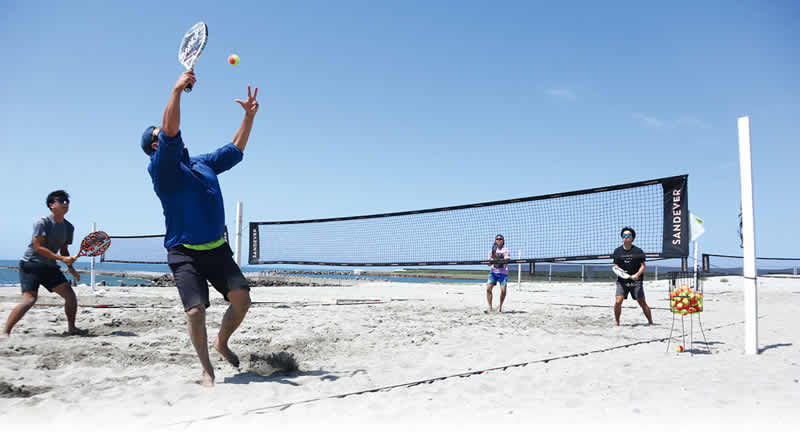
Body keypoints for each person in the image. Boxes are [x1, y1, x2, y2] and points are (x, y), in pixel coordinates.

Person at [141, 70, 258, 386]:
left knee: (242, 300)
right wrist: (176, 90)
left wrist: (248, 117)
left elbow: (235, 150)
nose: (164, 138)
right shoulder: (162, 169)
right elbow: (169, 130)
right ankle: (206, 369)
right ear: (155, 148)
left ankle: (222, 342)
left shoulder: (201, 163)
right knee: (195, 312)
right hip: (184, 253)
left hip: (216, 250)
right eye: (159, 138)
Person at [2, 190, 84, 338]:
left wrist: (71, 267)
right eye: (61, 200)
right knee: (29, 300)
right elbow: (38, 247)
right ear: (52, 205)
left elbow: (64, 250)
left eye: (67, 201)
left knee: (70, 296)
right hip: (31, 265)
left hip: (50, 267)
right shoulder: (42, 222)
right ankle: (5, 332)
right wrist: (61, 259)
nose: (65, 203)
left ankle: (72, 328)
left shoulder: (69, 227)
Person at [612, 227, 653, 326]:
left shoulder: (638, 251)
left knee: (641, 302)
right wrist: (621, 273)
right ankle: (617, 323)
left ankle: (651, 322)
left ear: (632, 238)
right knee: (618, 301)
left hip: (636, 280)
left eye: (628, 235)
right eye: (624, 235)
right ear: (622, 237)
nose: (626, 237)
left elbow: (643, 266)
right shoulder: (617, 251)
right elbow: (615, 266)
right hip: (622, 281)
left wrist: (637, 275)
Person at [486, 234, 510, 313]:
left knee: (503, 291)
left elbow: (506, 260)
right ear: (495, 241)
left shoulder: (505, 250)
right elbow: (489, 264)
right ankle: (490, 307)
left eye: (500, 239)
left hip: (503, 273)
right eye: (497, 239)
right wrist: (489, 261)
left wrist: (495, 257)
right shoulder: (492, 251)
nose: (499, 240)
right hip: (493, 272)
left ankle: (500, 307)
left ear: (503, 241)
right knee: (488, 289)